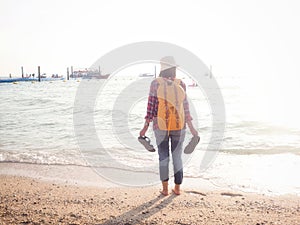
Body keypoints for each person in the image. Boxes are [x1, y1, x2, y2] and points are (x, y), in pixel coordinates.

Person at [140, 56, 198, 196]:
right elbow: (185, 108)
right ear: (174, 68)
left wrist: (145, 128)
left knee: (163, 157)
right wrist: (192, 128)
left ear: (162, 68)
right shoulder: (181, 84)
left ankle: (165, 189)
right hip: (179, 125)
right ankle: (177, 189)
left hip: (161, 126)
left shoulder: (156, 83)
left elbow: (151, 108)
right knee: (177, 157)